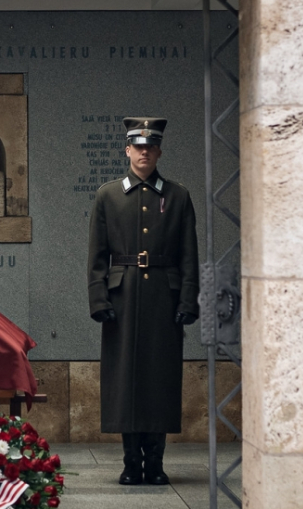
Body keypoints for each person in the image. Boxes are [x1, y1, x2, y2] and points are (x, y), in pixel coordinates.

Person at [86, 117, 199, 486]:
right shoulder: (108, 195)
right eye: (138, 146)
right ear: (127, 150)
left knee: (159, 379)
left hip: (164, 299)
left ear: (159, 152)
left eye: (151, 147)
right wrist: (99, 298)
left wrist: (188, 299)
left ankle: (156, 462)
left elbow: (188, 254)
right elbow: (96, 255)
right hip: (122, 299)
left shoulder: (178, 196)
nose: (144, 152)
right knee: (125, 380)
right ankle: (131, 463)